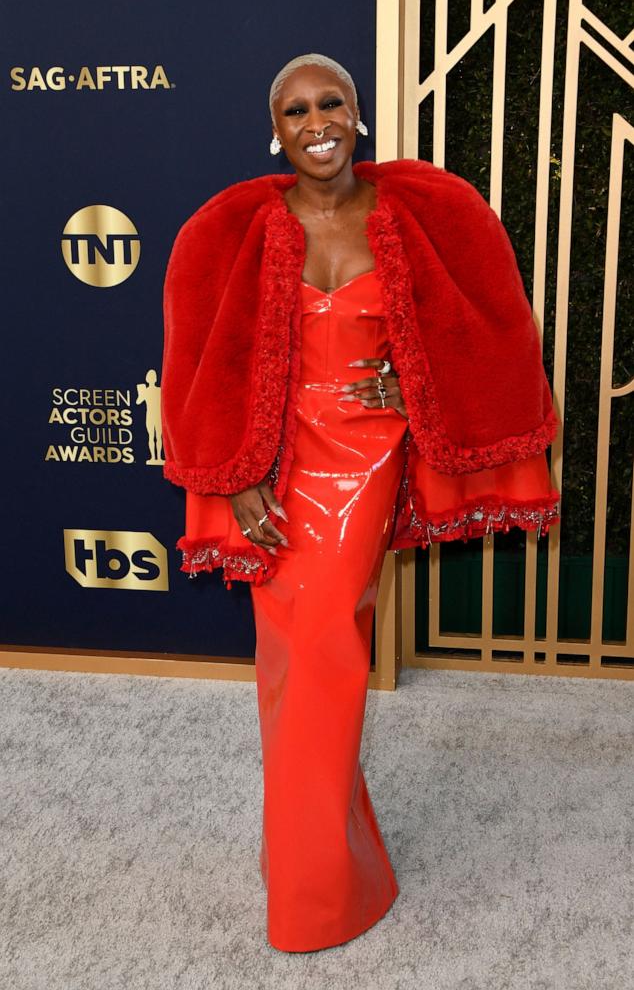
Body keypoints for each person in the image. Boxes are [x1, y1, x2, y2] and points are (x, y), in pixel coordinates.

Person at [160, 53, 561, 953]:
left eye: (330, 103)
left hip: (367, 459)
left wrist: (413, 391)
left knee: (327, 648)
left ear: (357, 113)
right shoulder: (235, 228)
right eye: (296, 110)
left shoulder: (421, 212)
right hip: (274, 457)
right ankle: (318, 858)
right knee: (292, 661)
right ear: (277, 128)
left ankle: (315, 888)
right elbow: (202, 366)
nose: (317, 123)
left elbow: (481, 333)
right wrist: (235, 470)